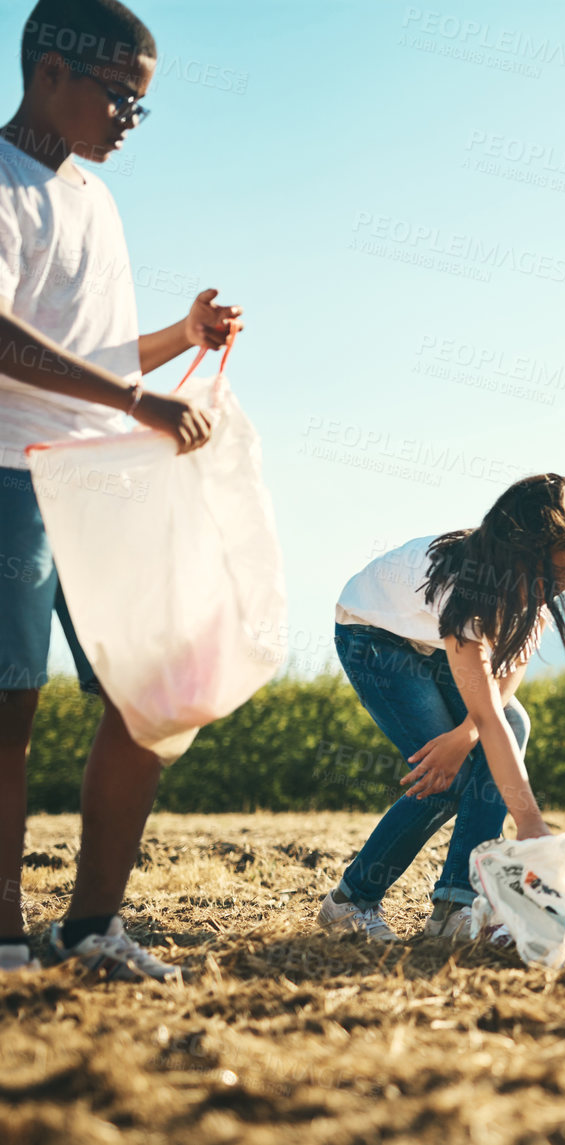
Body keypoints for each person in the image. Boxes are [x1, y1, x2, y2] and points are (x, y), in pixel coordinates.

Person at [0, 0, 243, 978]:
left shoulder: (92, 198)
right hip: (14, 476)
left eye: (141, 109)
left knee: (155, 697)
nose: (127, 124)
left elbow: (82, 351)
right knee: (10, 715)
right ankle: (7, 939)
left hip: (104, 483)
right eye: (119, 100)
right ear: (51, 71)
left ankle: (92, 924)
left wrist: (178, 339)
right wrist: (136, 398)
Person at [316, 474, 565, 941]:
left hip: (433, 641)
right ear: (526, 549)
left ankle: (455, 906)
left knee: (512, 724)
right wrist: (530, 822)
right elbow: (486, 709)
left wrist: (466, 733)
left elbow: (507, 681)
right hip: (375, 635)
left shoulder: (531, 588)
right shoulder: (466, 586)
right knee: (445, 777)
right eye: (559, 571)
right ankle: (350, 903)